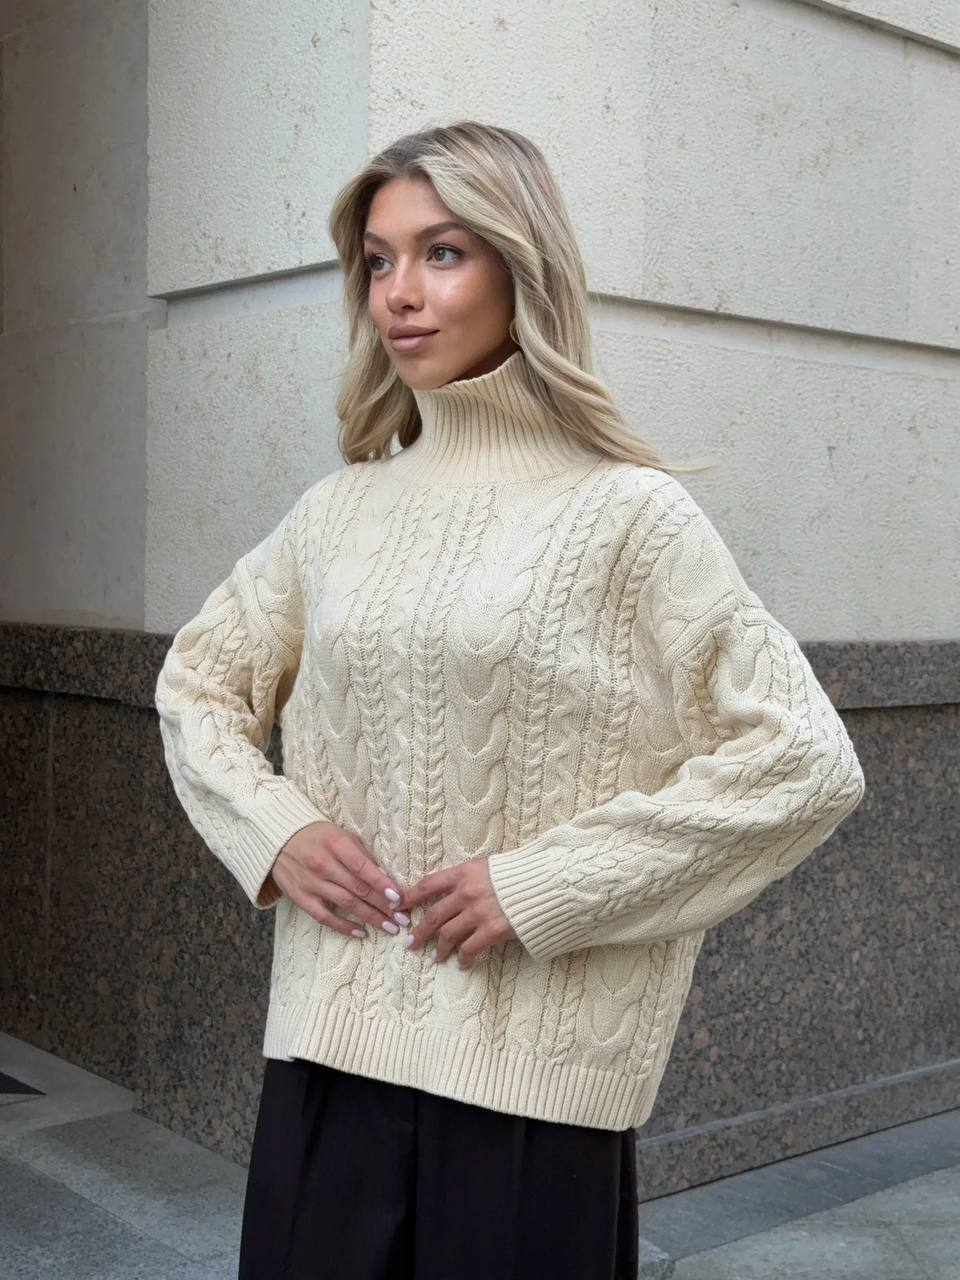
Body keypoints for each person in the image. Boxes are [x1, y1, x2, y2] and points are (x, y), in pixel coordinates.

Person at [153, 121, 866, 1280]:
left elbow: (804, 761)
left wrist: (543, 885)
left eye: (442, 252)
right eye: (378, 260)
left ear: (521, 266)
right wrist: (275, 827)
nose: (399, 293)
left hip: (531, 1094)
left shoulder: (630, 515)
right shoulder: (338, 511)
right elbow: (196, 680)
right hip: (330, 1058)